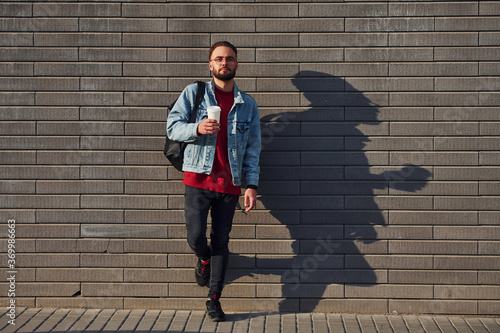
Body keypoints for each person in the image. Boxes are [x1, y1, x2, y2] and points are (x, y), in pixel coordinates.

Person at [166, 41, 261, 322]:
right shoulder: (194, 93)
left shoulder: (248, 105)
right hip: (197, 179)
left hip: (229, 185)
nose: (224, 63)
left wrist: (251, 185)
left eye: (229, 59)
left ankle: (214, 299)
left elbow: (253, 149)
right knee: (196, 237)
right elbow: (172, 126)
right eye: (219, 59)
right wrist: (197, 128)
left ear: (236, 65)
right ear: (210, 65)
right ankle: (203, 259)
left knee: (222, 241)